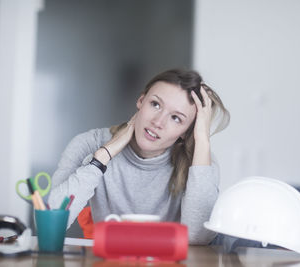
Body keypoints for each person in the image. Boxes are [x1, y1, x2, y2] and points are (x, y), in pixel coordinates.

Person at [48, 69, 230, 245]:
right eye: (155, 104)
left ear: (186, 131)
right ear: (141, 100)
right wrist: (103, 156)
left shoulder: (200, 161)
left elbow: (198, 238)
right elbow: (50, 224)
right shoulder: (89, 144)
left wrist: (202, 139)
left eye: (176, 118)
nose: (158, 122)